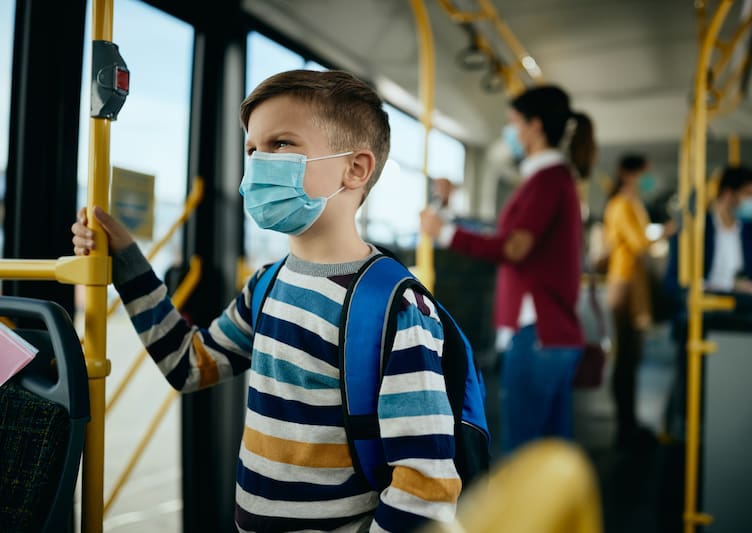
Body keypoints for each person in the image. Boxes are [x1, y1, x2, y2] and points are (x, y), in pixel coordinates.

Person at [72, 70, 462, 532]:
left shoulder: (394, 308)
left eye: (281, 144)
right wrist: (128, 264)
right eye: (252, 149)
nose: (258, 162)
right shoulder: (266, 284)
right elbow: (190, 363)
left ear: (355, 168)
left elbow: (425, 485)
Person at [420, 86, 595, 455]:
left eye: (513, 122)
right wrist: (450, 220)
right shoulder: (549, 181)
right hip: (549, 334)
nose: (510, 131)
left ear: (534, 127)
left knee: (523, 454)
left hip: (538, 333)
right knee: (548, 454)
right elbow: (508, 238)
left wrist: (448, 234)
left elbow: (515, 246)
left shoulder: (547, 180)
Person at [663, 164, 752, 438]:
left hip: (746, 315)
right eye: (750, 195)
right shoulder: (694, 230)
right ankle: (688, 431)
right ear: (729, 194)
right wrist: (729, 286)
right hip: (705, 313)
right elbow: (673, 283)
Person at [603, 154, 673, 450]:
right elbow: (639, 243)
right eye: (643, 173)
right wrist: (666, 234)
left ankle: (629, 422)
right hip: (625, 284)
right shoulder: (621, 204)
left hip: (634, 283)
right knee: (627, 358)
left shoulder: (633, 204)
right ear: (627, 174)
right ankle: (625, 426)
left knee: (632, 358)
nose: (648, 179)